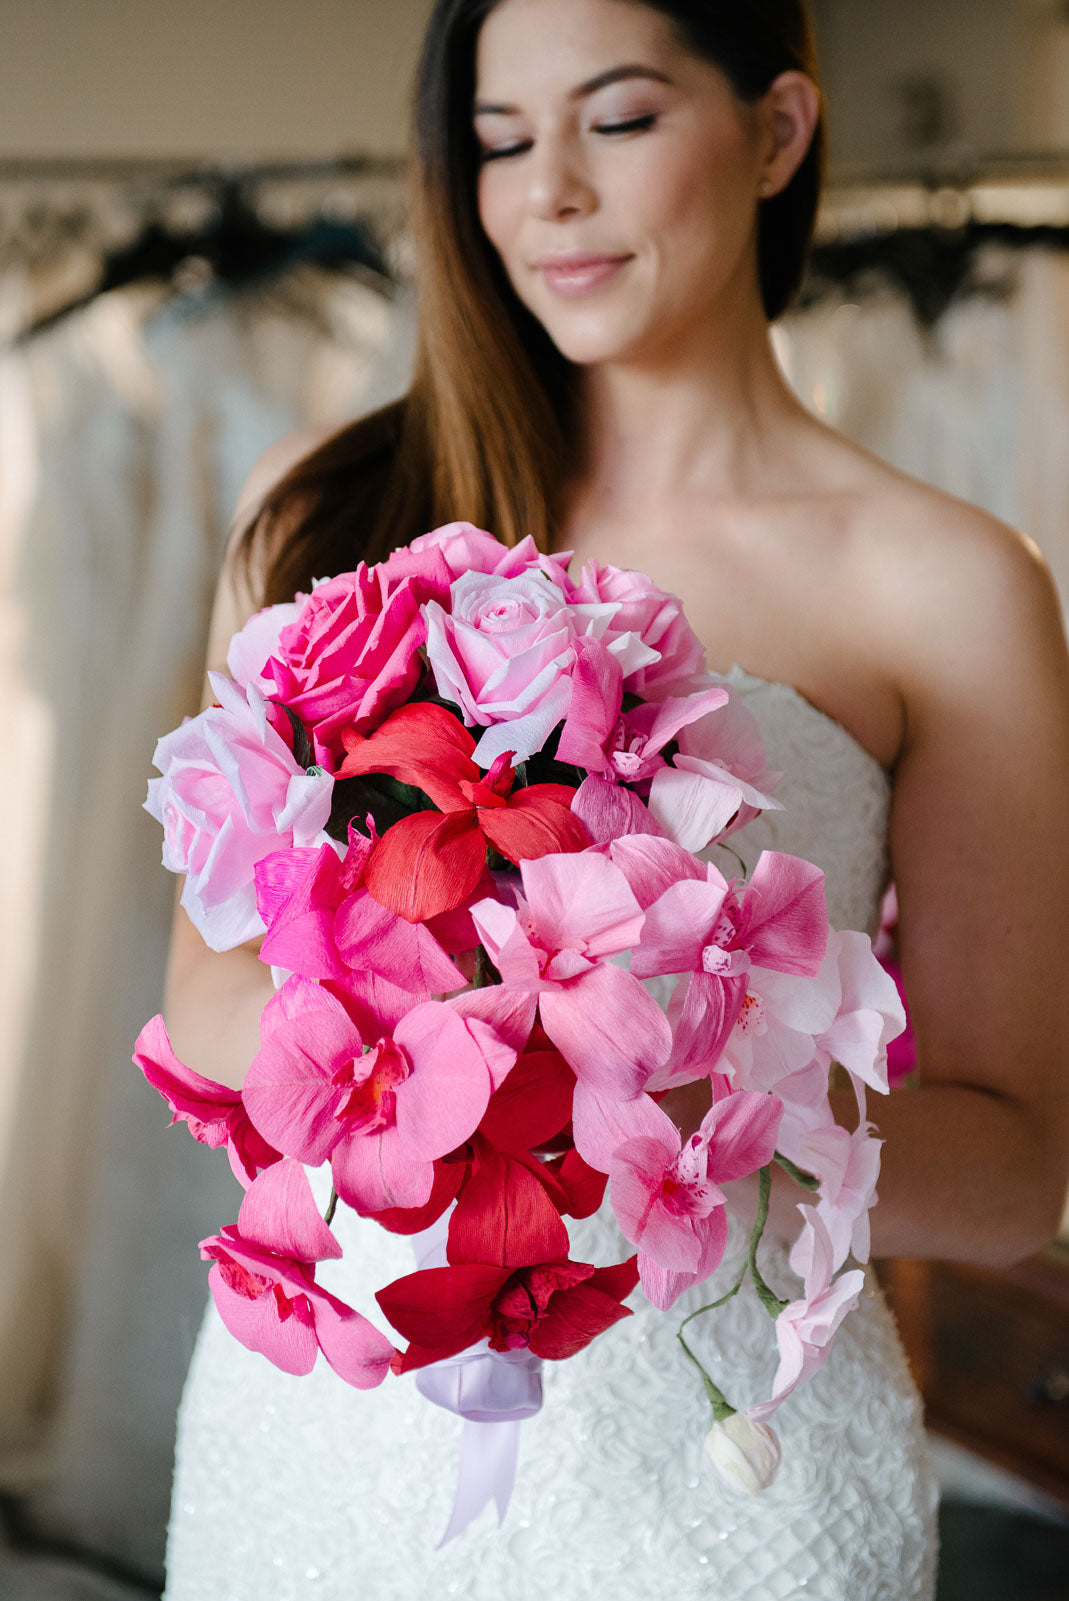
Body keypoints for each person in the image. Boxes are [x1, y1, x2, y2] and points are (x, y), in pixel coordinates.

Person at [160, 1, 1069, 1597]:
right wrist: (455, 1073)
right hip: (327, 1446)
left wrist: (693, 1132)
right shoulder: (320, 514)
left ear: (778, 133)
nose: (548, 194)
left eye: (621, 119)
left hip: (732, 1479)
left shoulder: (945, 586)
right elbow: (209, 992)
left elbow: (1009, 1171)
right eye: (499, 143)